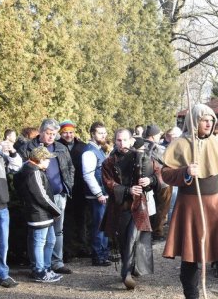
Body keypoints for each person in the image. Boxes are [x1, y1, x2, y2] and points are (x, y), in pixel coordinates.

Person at [162, 104, 218, 299]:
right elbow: (165, 174)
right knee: (190, 256)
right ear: (194, 121)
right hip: (190, 206)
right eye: (204, 119)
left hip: (214, 205)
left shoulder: (216, 144)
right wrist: (185, 171)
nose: (209, 123)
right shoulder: (180, 144)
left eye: (211, 119)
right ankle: (191, 298)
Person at [102, 130, 160, 289]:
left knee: (132, 238)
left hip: (139, 206)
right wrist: (128, 190)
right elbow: (108, 183)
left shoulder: (142, 157)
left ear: (131, 140)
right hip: (119, 208)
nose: (122, 143)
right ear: (115, 141)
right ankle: (129, 268)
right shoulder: (109, 162)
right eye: (119, 140)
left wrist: (150, 179)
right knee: (123, 240)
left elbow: (159, 174)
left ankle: (126, 273)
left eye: (125, 140)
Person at [18, 119, 75, 275]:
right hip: (38, 197)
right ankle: (38, 265)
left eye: (54, 134)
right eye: (49, 133)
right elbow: (22, 172)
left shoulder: (61, 147)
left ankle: (55, 263)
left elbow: (70, 167)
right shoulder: (28, 148)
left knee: (57, 232)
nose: (51, 137)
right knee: (37, 234)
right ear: (40, 131)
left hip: (59, 194)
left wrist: (67, 186)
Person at [13, 146, 62, 283]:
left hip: (40, 213)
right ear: (40, 159)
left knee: (48, 240)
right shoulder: (33, 172)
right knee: (40, 242)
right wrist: (56, 210)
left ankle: (44, 268)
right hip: (39, 214)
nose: (49, 162)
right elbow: (41, 196)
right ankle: (40, 271)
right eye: (47, 159)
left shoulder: (26, 169)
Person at [0, 123, 22, 287]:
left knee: (2, 245)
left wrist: (13, 151)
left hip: (2, 207)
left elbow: (16, 166)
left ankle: (1, 274)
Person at [58, 119, 90, 259]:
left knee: (82, 218)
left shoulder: (82, 146)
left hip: (80, 188)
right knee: (67, 220)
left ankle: (83, 246)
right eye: (65, 133)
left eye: (71, 132)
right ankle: (68, 250)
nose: (68, 135)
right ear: (61, 133)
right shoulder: (57, 146)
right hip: (65, 188)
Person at [81, 122, 111, 266]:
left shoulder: (99, 150)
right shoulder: (89, 151)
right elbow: (88, 175)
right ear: (92, 134)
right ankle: (98, 256)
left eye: (104, 133)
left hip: (104, 194)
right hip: (97, 195)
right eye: (100, 133)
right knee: (99, 226)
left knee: (104, 225)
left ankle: (104, 253)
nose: (103, 135)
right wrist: (98, 193)